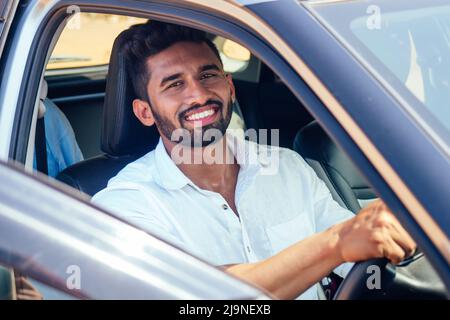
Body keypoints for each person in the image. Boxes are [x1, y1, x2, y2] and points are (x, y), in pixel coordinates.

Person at [92, 21, 416, 299]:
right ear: (145, 112)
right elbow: (199, 297)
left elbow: (358, 260)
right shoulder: (125, 204)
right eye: (175, 84)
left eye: (207, 75)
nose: (198, 95)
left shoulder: (287, 166)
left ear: (230, 86)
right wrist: (335, 244)